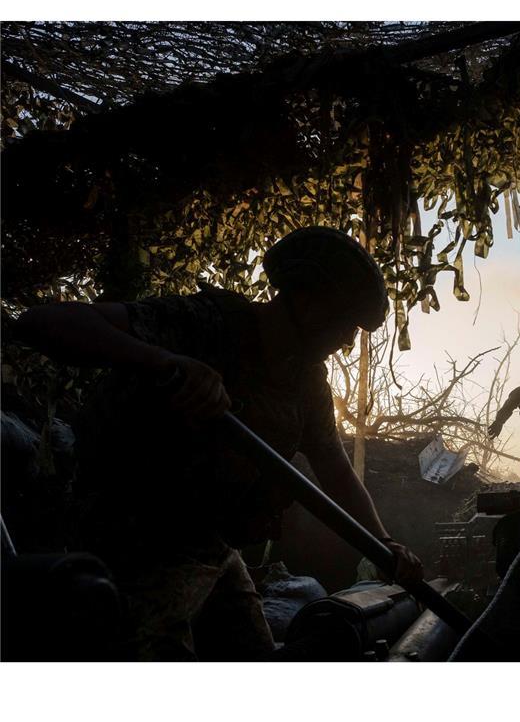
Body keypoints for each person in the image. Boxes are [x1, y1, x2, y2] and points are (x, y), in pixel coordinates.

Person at [13, 226, 423, 659]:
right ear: (306, 301)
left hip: (214, 549)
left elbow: (334, 467)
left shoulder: (305, 379)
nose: (345, 342)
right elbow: (43, 323)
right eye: (343, 323)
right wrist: (166, 362)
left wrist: (384, 542)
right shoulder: (209, 323)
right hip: (137, 544)